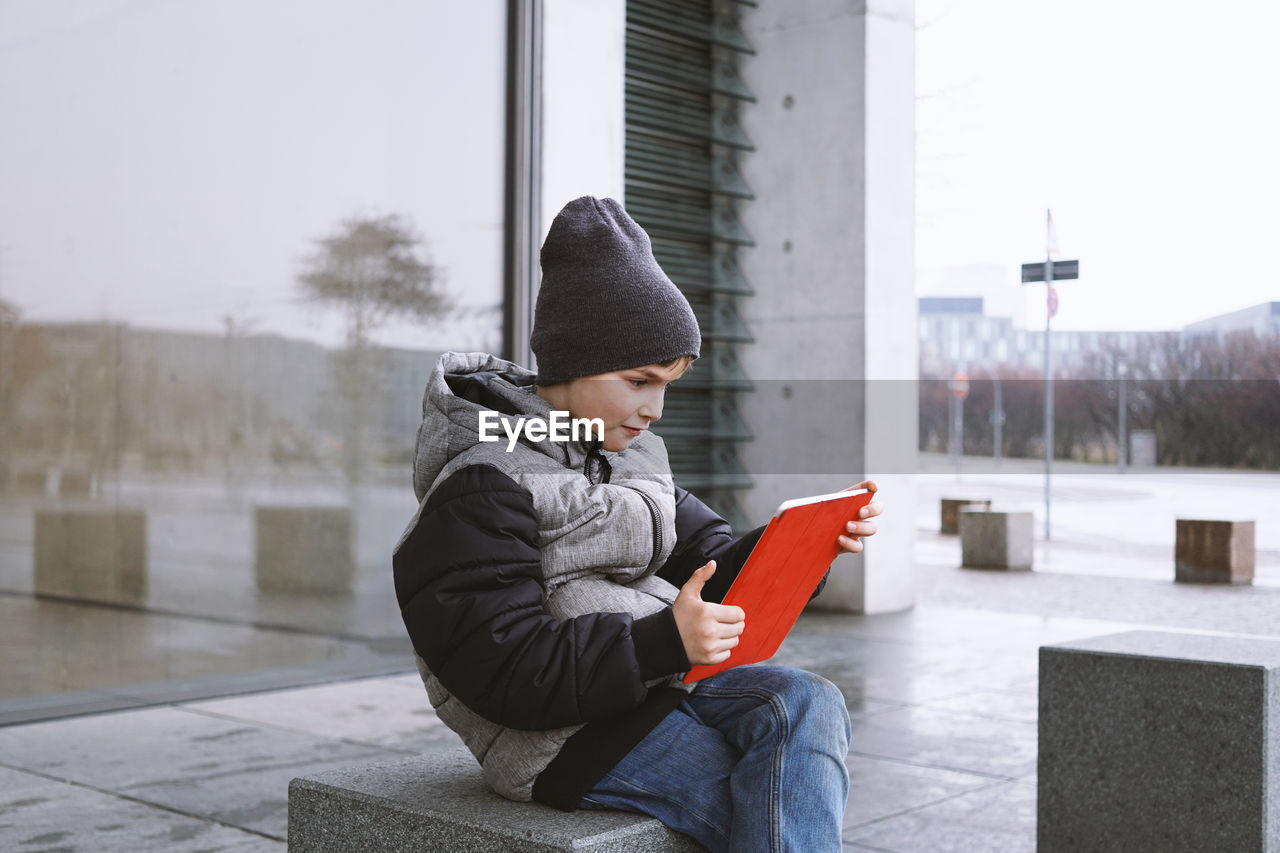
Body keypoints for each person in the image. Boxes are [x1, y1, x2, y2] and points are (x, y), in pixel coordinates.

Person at [392, 196, 882, 852]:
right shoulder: (483, 481)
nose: (654, 408)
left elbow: (712, 562)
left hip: (661, 682)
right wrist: (663, 643)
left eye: (668, 384)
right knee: (761, 792)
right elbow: (504, 665)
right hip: (568, 737)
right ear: (573, 362)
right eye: (639, 380)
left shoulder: (631, 456)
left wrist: (801, 548)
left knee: (810, 703)